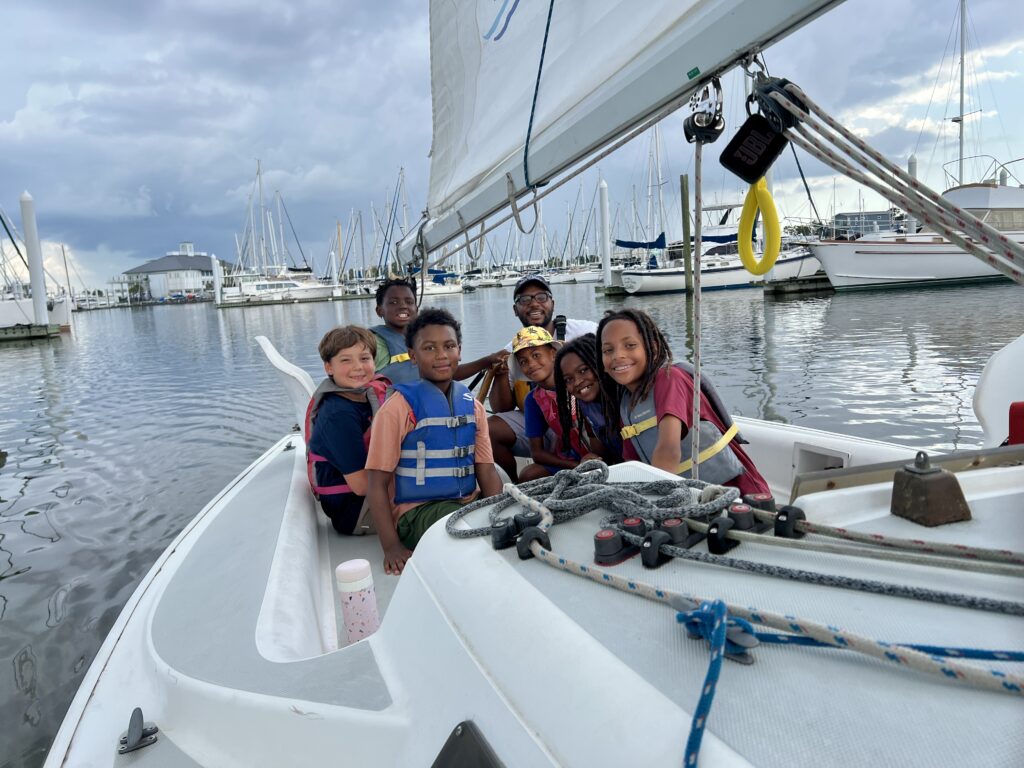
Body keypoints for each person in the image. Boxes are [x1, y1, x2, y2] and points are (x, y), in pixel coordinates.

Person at [365, 308, 503, 575]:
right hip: (417, 513)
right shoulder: (397, 408)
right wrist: (391, 546)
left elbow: (485, 469)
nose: (441, 355)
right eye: (429, 348)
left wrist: (498, 513)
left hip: (465, 502)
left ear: (459, 351)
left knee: (507, 521)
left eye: (449, 346)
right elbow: (376, 482)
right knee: (468, 533)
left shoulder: (472, 407)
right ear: (413, 356)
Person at [596, 308, 769, 495]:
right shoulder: (627, 404)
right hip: (690, 497)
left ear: (652, 348)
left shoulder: (669, 378)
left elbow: (668, 451)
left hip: (740, 496)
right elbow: (633, 463)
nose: (617, 356)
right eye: (608, 350)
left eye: (630, 345)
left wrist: (656, 503)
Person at [488, 274, 598, 481]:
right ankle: (509, 488)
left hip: (588, 434)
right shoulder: (531, 395)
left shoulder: (586, 332)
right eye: (524, 300)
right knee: (527, 472)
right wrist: (501, 374)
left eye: (541, 297)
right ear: (515, 309)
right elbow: (500, 409)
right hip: (553, 433)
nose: (533, 304)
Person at [306, 325, 391, 534]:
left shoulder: (363, 398)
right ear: (329, 367)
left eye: (364, 358)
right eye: (346, 360)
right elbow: (362, 486)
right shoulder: (338, 415)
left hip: (371, 498)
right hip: (355, 513)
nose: (358, 367)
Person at [372, 277, 508, 385]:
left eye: (409, 302)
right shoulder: (374, 343)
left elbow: (449, 372)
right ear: (379, 310)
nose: (402, 306)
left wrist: (487, 361)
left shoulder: (421, 339)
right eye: (393, 302)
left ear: (416, 309)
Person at [510, 326, 603, 481]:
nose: (531, 364)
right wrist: (576, 466)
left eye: (536, 355)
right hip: (572, 460)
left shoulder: (579, 385)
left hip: (601, 450)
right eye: (523, 361)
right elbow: (537, 453)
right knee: (528, 474)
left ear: (553, 354)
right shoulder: (533, 400)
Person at [554, 333, 623, 464]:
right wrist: (591, 459)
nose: (577, 382)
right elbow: (601, 454)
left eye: (583, 370)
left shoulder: (627, 397)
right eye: (568, 379)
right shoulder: (586, 405)